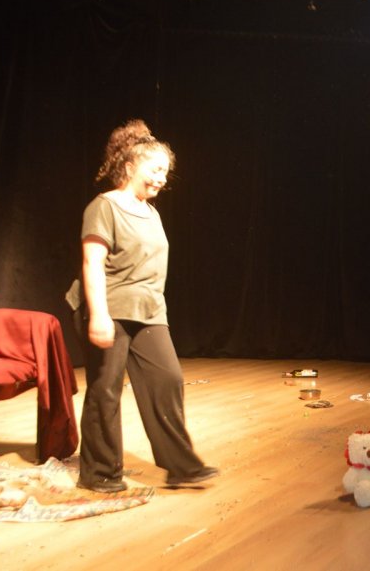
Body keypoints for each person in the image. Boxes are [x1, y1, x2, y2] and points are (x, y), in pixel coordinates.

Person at [75, 119, 217, 493]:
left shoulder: (151, 212)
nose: (161, 179)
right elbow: (91, 262)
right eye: (155, 170)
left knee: (167, 379)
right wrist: (99, 314)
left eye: (165, 173)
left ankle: (181, 466)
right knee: (105, 390)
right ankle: (99, 473)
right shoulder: (104, 207)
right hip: (109, 307)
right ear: (129, 165)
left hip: (150, 310)